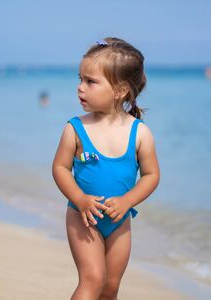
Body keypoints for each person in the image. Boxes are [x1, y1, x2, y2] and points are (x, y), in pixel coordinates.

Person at [52, 37, 160, 299]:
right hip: (83, 216)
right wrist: (79, 199)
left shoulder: (139, 133)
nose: (80, 88)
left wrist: (127, 201)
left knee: (110, 288)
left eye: (91, 82)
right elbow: (60, 168)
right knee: (92, 279)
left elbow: (151, 175)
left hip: (118, 220)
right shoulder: (75, 128)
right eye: (80, 79)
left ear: (120, 90)